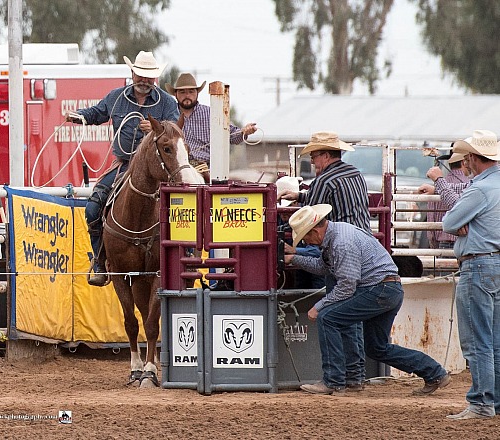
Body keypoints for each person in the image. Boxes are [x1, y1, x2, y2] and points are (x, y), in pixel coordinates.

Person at [284, 204, 451, 395]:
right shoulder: (339, 235)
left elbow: (347, 285)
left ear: (314, 231)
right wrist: (294, 259)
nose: (307, 242)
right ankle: (434, 372)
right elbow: (325, 267)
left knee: (327, 318)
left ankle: (333, 381)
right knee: (377, 347)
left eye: (306, 237)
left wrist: (319, 306)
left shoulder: (341, 243)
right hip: (388, 289)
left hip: (378, 289)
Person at [66, 51, 179, 286]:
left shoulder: (167, 102)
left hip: (156, 168)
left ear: (155, 79)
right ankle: (100, 261)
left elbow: (175, 130)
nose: (145, 81)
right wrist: (79, 116)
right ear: (133, 73)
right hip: (123, 165)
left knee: (177, 210)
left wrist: (159, 129)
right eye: (141, 76)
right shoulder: (116, 97)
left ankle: (180, 259)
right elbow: (97, 113)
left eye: (150, 77)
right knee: (93, 207)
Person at [279, 131, 371, 390]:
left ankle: (339, 377)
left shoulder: (323, 181)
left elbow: (311, 217)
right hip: (364, 246)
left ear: (327, 155)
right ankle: (356, 375)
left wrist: (293, 212)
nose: (313, 162)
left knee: (335, 314)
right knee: (352, 315)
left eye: (315, 156)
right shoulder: (355, 174)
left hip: (341, 248)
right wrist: (300, 196)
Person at [440, 130, 500, 420]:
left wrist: (464, 221)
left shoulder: (479, 190)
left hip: (478, 265)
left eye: (467, 158)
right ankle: (494, 400)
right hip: (497, 264)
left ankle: (481, 402)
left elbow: (450, 221)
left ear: (475, 158)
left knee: (478, 340)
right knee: (495, 339)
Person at [164, 73, 257, 170]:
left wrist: (244, 132)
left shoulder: (211, 114)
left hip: (207, 169)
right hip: (177, 170)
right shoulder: (168, 115)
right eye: (182, 92)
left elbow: (232, 135)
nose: (187, 95)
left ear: (197, 93)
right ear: (175, 94)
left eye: (191, 92)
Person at [425, 152, 470, 249]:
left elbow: (431, 217)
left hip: (443, 242)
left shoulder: (437, 187)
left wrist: (433, 242)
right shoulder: (470, 185)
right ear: (463, 162)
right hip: (466, 241)